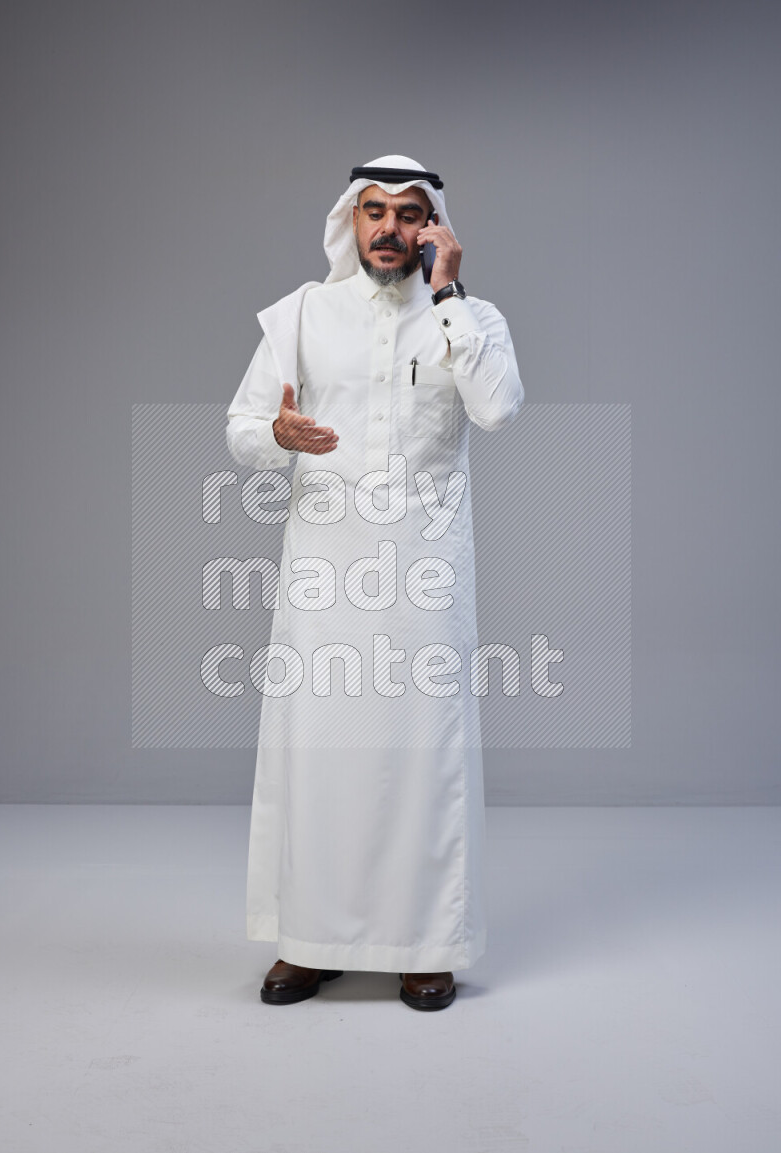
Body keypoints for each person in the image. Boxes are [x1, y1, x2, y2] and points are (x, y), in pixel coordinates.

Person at [225, 155, 524, 1010]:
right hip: (324, 571)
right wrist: (278, 433)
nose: (389, 229)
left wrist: (453, 297)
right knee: (316, 753)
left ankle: (425, 944)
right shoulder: (302, 316)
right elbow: (242, 425)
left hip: (426, 577)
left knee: (421, 755)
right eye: (373, 212)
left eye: (409, 214)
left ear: (435, 229)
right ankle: (307, 942)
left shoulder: (470, 318)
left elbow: (498, 409)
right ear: (350, 223)